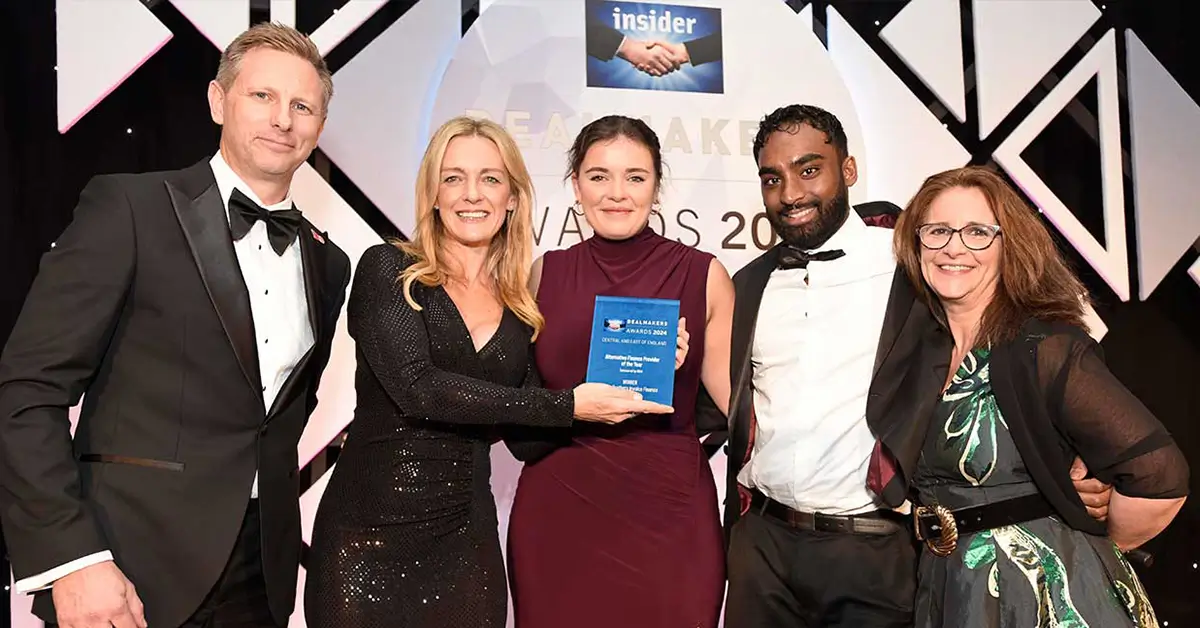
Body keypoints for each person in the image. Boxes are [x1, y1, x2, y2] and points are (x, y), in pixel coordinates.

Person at [0, 23, 350, 628]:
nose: (282, 120)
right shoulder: (129, 209)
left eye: (301, 106)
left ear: (318, 126)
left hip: (260, 578)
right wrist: (71, 558)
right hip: (125, 568)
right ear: (218, 101)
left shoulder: (329, 261)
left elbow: (277, 419)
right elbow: (29, 391)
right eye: (262, 96)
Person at [719, 104, 1117, 628]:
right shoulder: (748, 283)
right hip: (761, 548)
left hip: (874, 549)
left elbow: (1055, 332)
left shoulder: (916, 259)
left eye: (810, 170)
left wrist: (1074, 455)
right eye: (773, 179)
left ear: (849, 171)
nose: (791, 193)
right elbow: (723, 402)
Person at [303, 116, 676, 628]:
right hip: (366, 539)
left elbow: (525, 440)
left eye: (490, 179)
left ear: (514, 198)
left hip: (465, 546)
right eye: (453, 177)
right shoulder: (389, 269)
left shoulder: (521, 308)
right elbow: (420, 391)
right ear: (433, 193)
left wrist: (632, 374)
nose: (471, 194)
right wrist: (568, 404)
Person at [893, 165, 1188, 627]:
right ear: (915, 244)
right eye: (938, 231)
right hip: (950, 585)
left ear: (1009, 246)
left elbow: (1160, 475)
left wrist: (1092, 540)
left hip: (1043, 594)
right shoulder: (922, 353)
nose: (954, 247)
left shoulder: (1042, 346)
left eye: (977, 232)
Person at [505, 114, 735, 628]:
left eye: (635, 177)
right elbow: (517, 400)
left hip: (670, 516)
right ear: (575, 186)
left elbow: (738, 405)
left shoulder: (704, 275)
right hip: (560, 510)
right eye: (598, 176)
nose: (617, 193)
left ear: (657, 186)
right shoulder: (543, 272)